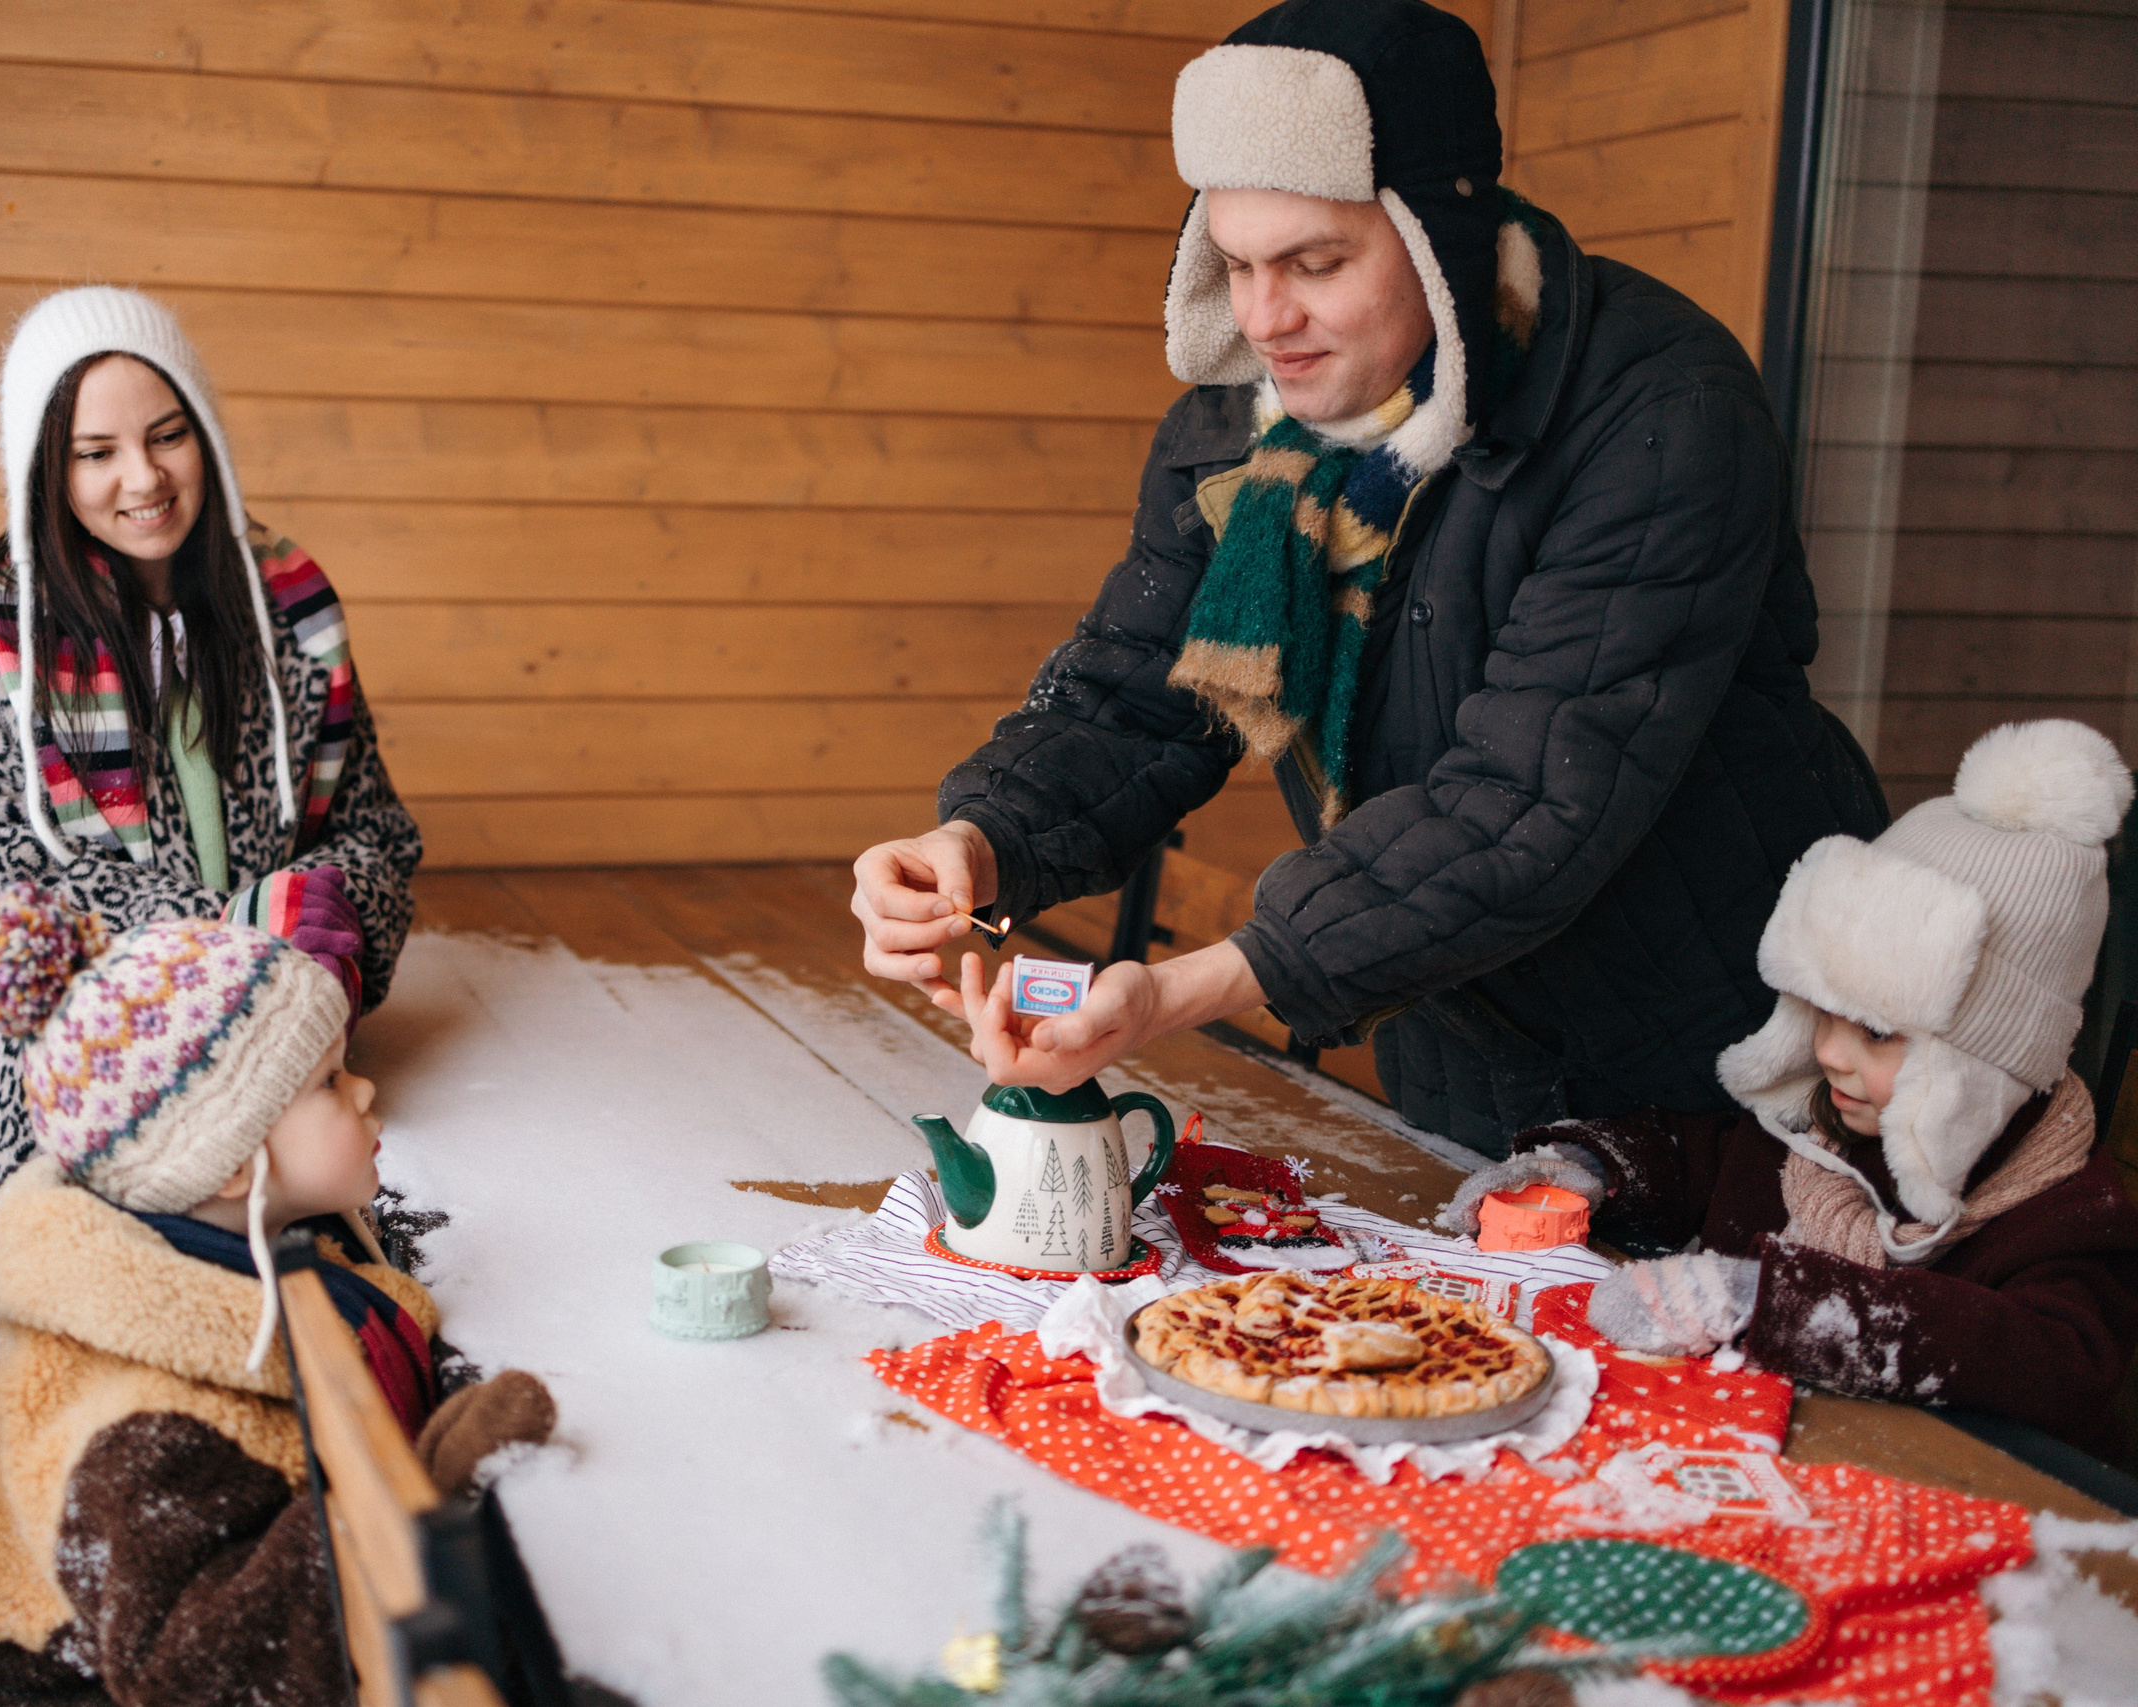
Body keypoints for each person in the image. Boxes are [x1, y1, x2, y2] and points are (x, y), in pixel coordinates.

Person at [850, 0, 1884, 1154]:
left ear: (1441, 240)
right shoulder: (1245, 430)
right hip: (1462, 1055)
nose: (1265, 317)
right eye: (1235, 264)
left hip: (1738, 1066)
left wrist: (1185, 988)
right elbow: (1133, 696)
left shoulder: (1656, 410)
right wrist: (979, 845)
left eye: (1315, 263)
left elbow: (1527, 796)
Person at [0, 287, 422, 1320]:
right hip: (53, 1076)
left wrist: (314, 913)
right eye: (95, 452)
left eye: (167, 435)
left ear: (205, 433)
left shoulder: (288, 609)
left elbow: (374, 830)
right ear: (45, 469)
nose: (142, 478)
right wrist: (232, 935)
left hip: (262, 1059)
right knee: (120, 1341)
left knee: (342, 1296)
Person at [0, 886, 555, 1702]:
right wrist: (424, 1495)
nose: (364, 1091)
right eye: (328, 1081)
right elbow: (205, 1666)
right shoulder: (139, 1432)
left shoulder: (192, 1267)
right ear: (228, 1161)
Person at [1440, 721, 2138, 1457]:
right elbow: (1696, 1159)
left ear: (1984, 1061)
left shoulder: (2068, 1215)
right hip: (1741, 1453)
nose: (1828, 1051)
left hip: (1933, 1487)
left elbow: (2059, 1365)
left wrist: (1771, 1302)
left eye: (1875, 1031)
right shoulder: (1821, 1126)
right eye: (1821, 1012)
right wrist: (1590, 1168)